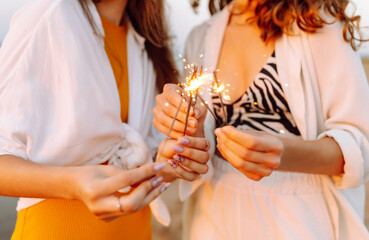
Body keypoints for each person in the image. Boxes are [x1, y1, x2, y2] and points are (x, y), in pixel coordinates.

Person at [153, 0, 369, 239]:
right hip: (213, 219)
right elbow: (203, 155)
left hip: (298, 222)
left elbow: (360, 144)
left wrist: (282, 153)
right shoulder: (201, 36)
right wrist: (190, 128)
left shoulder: (318, 23)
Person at [0, 0, 210, 239]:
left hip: (137, 231)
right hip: (58, 229)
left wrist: (171, 161)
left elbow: (143, 165)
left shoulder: (145, 39)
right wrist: (73, 184)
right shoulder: (49, 15)